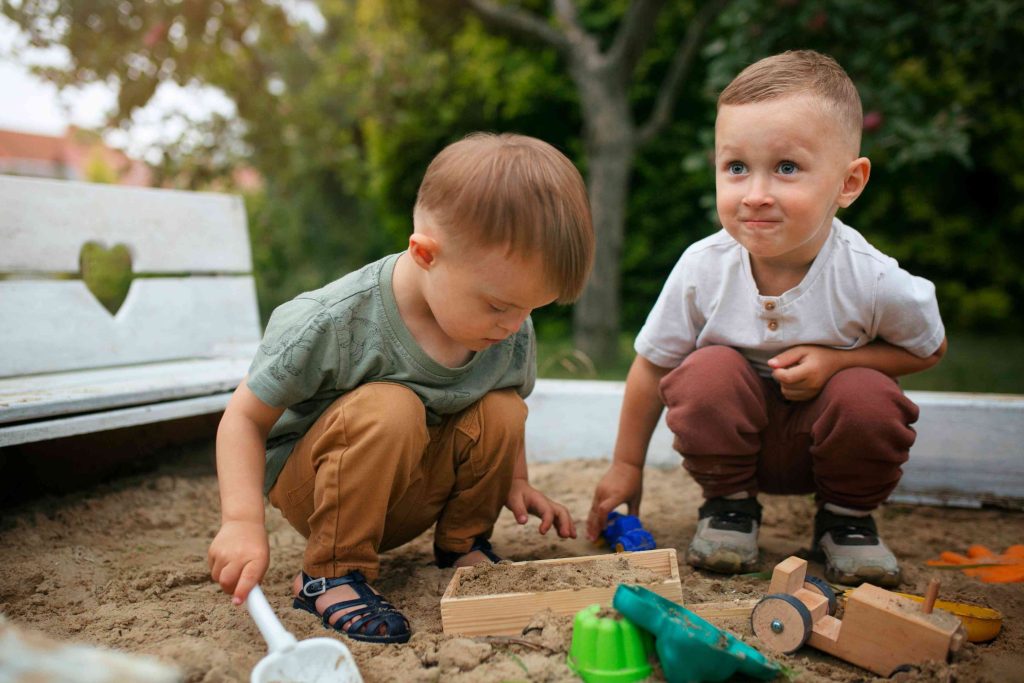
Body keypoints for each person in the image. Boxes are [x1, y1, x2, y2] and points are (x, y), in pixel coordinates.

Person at [209, 133, 595, 643]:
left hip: (413, 488)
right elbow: (243, 420)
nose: (515, 324)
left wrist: (516, 481)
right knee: (390, 406)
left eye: (532, 308)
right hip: (324, 486)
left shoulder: (508, 328)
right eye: (500, 305)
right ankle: (329, 574)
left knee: (503, 409)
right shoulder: (331, 321)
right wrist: (240, 520)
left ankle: (463, 546)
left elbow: (503, 403)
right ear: (425, 254)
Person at [587, 50, 946, 588]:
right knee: (705, 370)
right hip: (729, 455)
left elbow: (928, 348)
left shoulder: (869, 277)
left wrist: (837, 361)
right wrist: (626, 466)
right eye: (736, 167)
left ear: (849, 183)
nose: (755, 195)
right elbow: (652, 366)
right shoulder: (703, 268)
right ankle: (730, 511)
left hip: (828, 448)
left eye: (786, 168)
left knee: (868, 393)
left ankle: (846, 522)